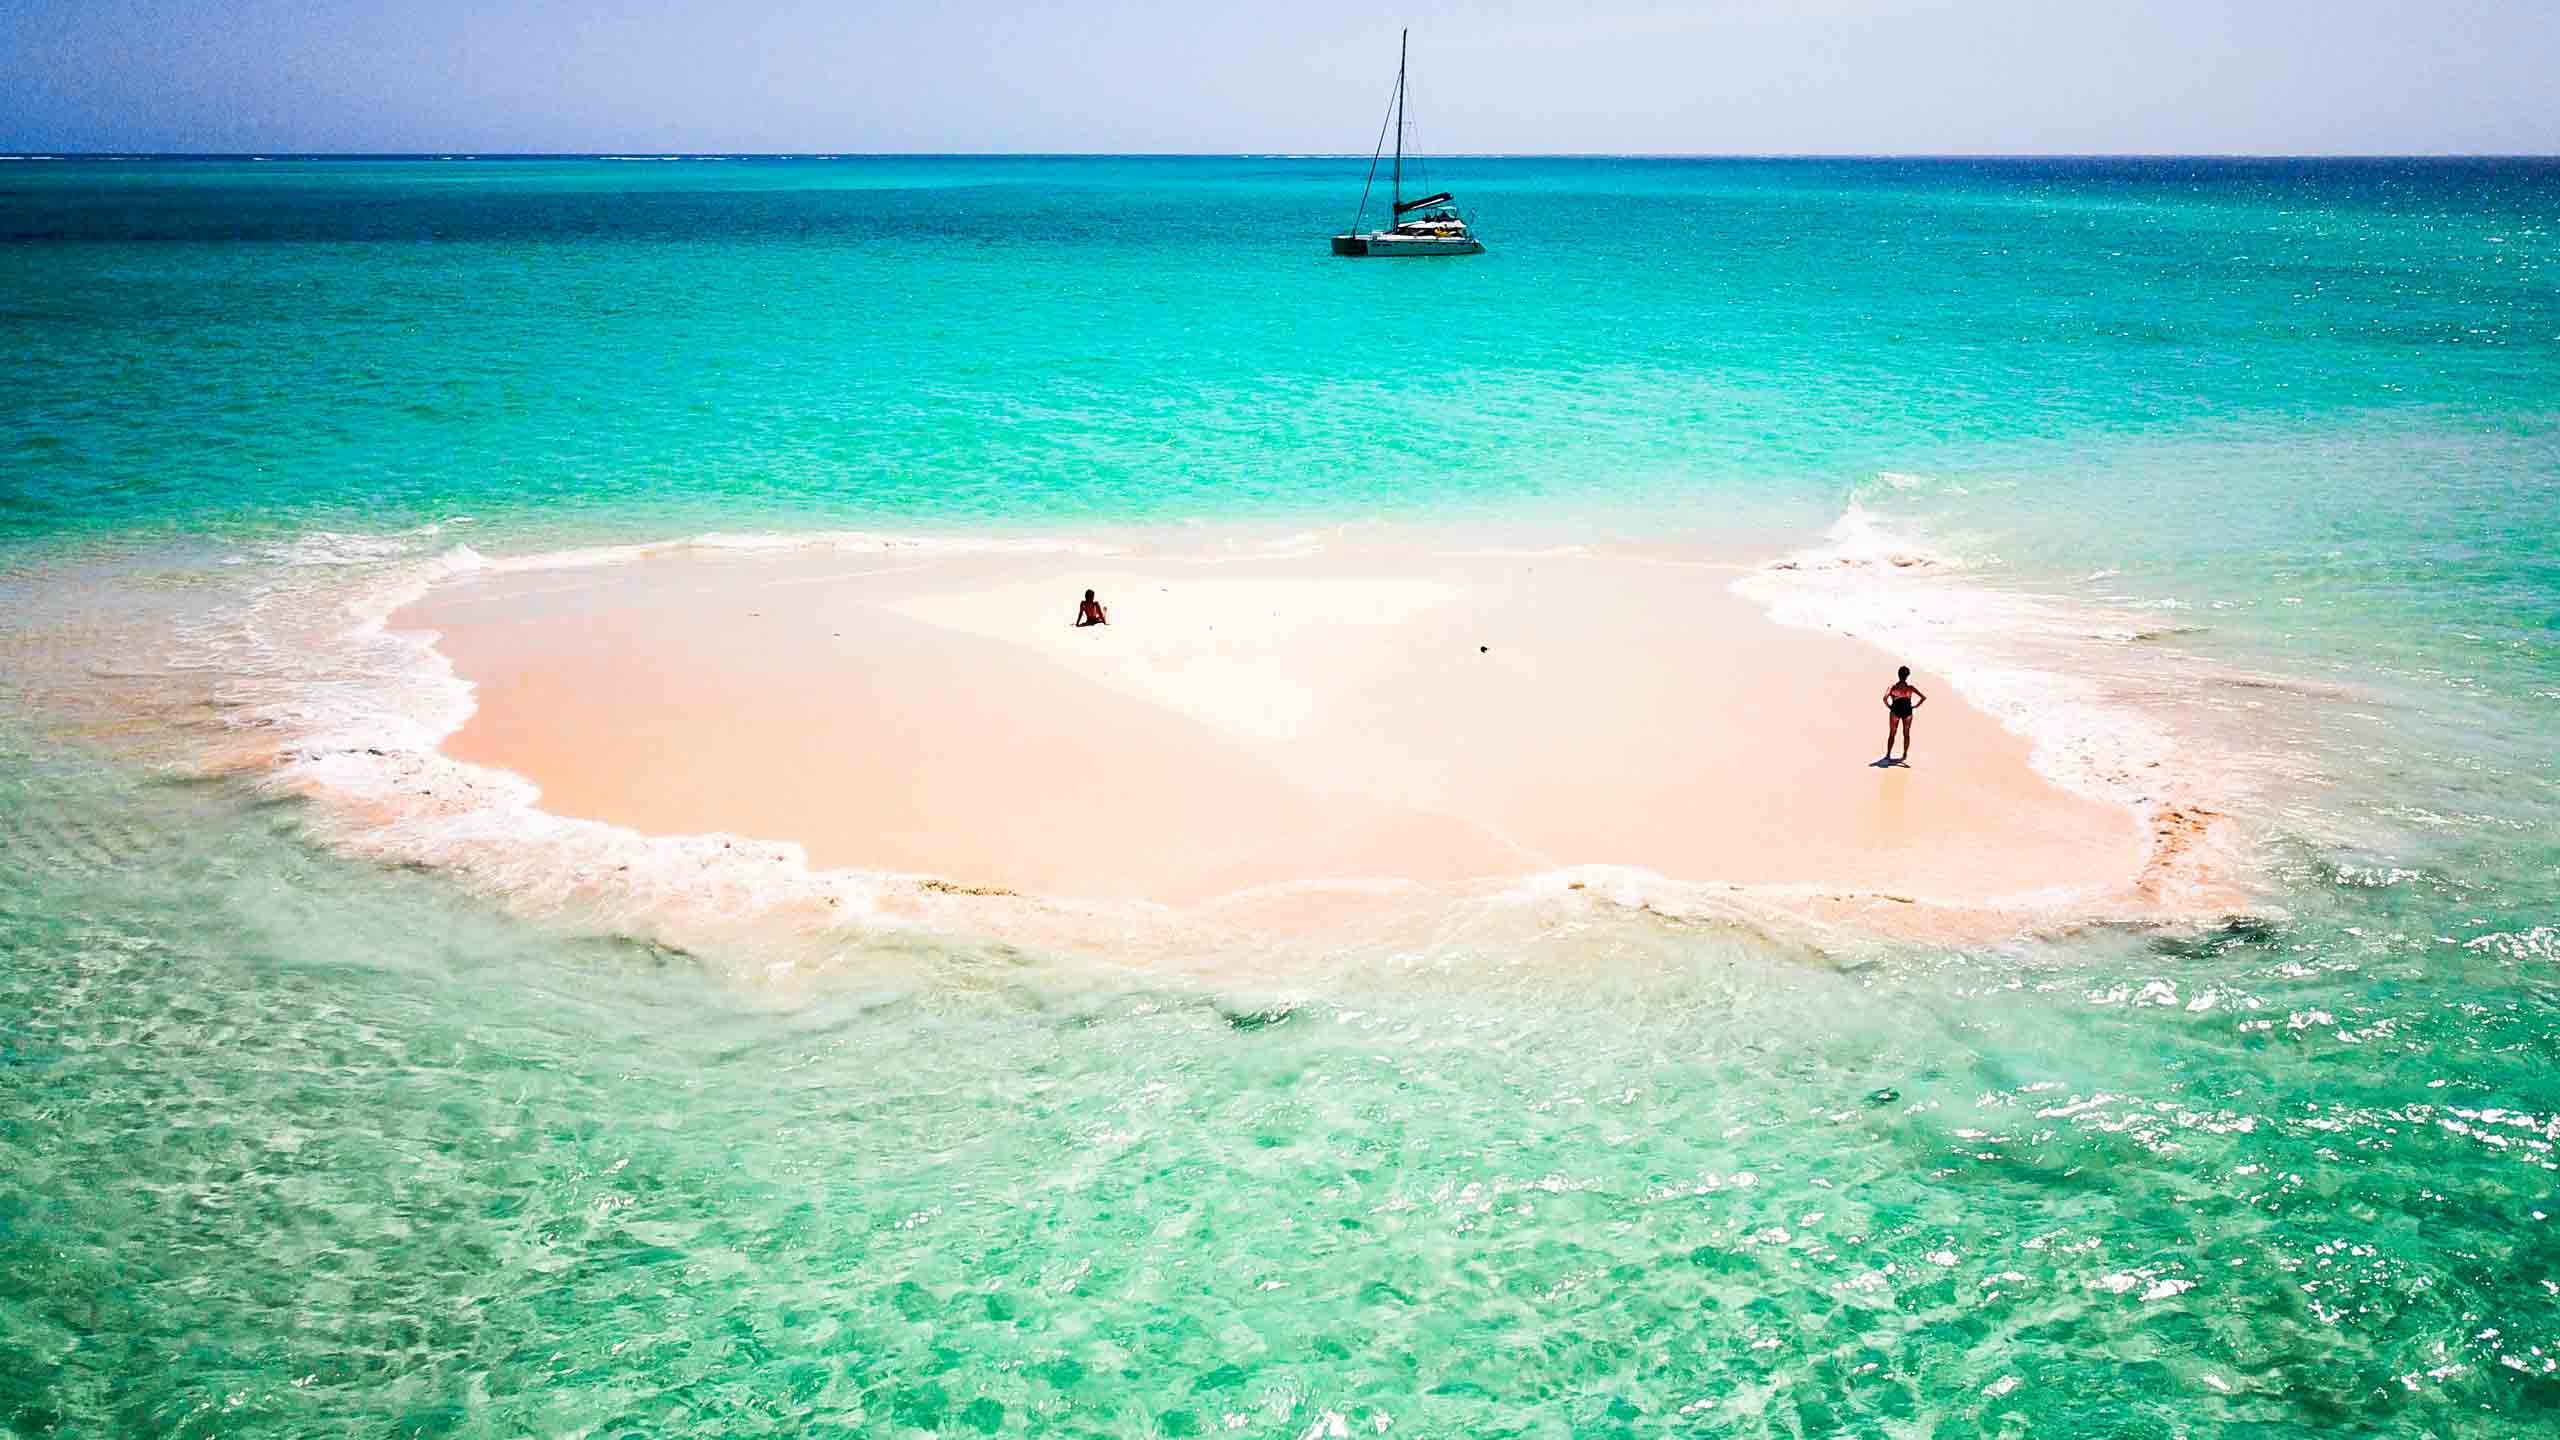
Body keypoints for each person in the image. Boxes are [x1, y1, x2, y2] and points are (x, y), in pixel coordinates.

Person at [1882, 665, 1926, 764]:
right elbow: (1923, 697)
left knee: (1892, 733)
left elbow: (1884, 698)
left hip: (1895, 711)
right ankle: (1904, 755)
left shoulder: (1892, 687)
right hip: (1907, 711)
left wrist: (1889, 706)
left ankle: (1888, 754)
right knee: (1906, 733)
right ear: (1907, 676)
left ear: (1898, 675)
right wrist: (1915, 706)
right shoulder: (1910, 688)